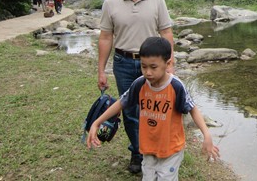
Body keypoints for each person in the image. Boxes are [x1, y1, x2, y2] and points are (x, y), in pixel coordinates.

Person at [87, 37, 219, 180]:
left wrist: (207, 134)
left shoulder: (176, 86)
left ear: (167, 64)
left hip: (171, 149)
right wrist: (97, 122)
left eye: (153, 67)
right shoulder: (140, 84)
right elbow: (121, 102)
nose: (148, 72)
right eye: (144, 66)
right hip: (148, 147)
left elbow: (192, 109)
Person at [97, 0, 175, 174]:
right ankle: (138, 153)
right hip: (123, 63)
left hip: (153, 65)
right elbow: (105, 37)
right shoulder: (110, 2)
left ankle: (158, 151)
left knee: (156, 110)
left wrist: (169, 64)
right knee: (131, 111)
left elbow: (166, 32)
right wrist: (101, 70)